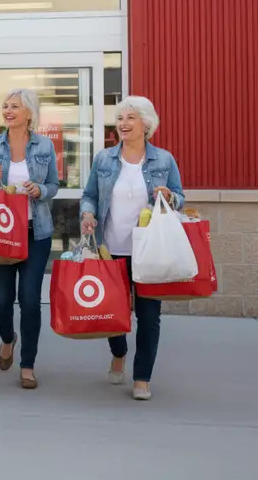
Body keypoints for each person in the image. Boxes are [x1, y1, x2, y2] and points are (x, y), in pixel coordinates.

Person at [80, 95, 184, 401]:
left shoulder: (163, 160)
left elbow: (179, 197)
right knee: (113, 312)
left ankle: (142, 378)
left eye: (130, 118)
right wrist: (88, 213)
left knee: (149, 316)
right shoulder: (104, 159)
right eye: (120, 118)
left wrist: (171, 197)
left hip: (149, 251)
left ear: (146, 124)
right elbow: (88, 195)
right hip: (111, 248)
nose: (123, 124)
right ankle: (119, 352)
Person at [0, 89, 59, 389]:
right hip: (1, 233)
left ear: (29, 113)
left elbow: (53, 185)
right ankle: (8, 338)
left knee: (30, 300)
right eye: (5, 106)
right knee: (0, 300)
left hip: (36, 232)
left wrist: (40, 190)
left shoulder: (45, 145)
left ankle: (28, 365)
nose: (8, 111)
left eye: (15, 107)